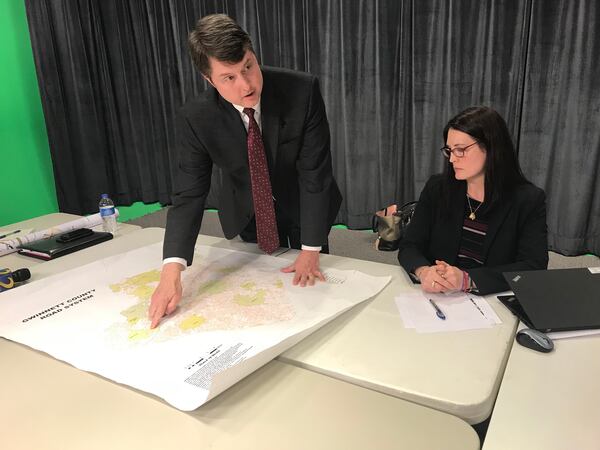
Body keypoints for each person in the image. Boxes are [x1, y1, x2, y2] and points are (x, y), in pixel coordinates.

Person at [149, 14, 341, 328]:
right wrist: (172, 271)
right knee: (262, 295)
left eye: (248, 66)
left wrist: (310, 248)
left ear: (253, 54)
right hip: (249, 210)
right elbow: (189, 193)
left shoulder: (301, 91)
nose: (247, 84)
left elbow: (314, 174)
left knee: (313, 295)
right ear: (209, 79)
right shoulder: (198, 117)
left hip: (304, 204)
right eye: (229, 78)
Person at [397, 106, 548, 295]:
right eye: (449, 150)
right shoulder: (437, 188)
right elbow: (409, 245)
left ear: (492, 147)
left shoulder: (527, 200)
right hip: (437, 296)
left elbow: (533, 266)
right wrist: (423, 271)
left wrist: (468, 279)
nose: (452, 159)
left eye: (460, 150)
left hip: (491, 299)